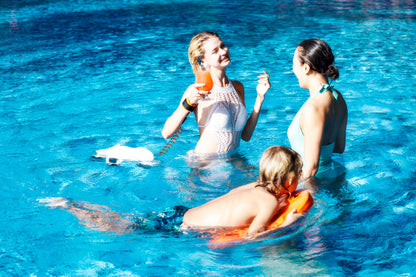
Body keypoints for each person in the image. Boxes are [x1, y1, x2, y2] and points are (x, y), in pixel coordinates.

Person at [39, 146, 305, 238]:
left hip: (182, 212)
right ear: (288, 178)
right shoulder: (269, 202)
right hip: (185, 229)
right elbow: (252, 236)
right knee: (118, 227)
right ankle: (70, 206)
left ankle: (72, 204)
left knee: (127, 219)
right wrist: (288, 223)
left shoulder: (255, 186)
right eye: (298, 174)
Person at [162, 31, 270, 155]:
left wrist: (260, 97)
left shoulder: (237, 86)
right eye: (215, 51)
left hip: (235, 160)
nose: (223, 51)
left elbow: (245, 136)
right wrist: (189, 103)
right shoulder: (197, 89)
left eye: (223, 46)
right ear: (203, 60)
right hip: (205, 165)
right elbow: (166, 133)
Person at [288, 39, 348, 180]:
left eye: (294, 64)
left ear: (306, 68)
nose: (293, 69)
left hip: (314, 187)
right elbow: (339, 148)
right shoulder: (338, 98)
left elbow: (311, 169)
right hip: (334, 175)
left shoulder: (313, 108)